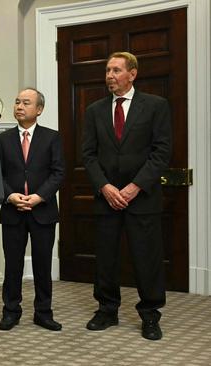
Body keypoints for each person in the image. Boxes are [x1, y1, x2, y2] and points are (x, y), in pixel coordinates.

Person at [81, 51, 172, 341]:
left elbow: (161, 153)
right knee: (106, 258)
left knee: (147, 258)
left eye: (116, 70)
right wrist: (105, 187)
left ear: (132, 74)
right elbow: (88, 155)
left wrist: (134, 187)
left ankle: (150, 315)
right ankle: (107, 310)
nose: (110, 76)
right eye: (107, 70)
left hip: (142, 198)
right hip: (106, 197)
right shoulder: (94, 110)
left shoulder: (156, 106)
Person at [0, 88, 65, 331]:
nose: (19, 106)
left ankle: (43, 312)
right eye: (17, 102)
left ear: (39, 109)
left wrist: (39, 197)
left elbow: (58, 173)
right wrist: (11, 196)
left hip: (42, 211)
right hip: (13, 211)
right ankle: (11, 311)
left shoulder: (52, 137)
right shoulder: (2, 140)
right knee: (12, 264)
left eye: (26, 103)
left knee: (42, 264)